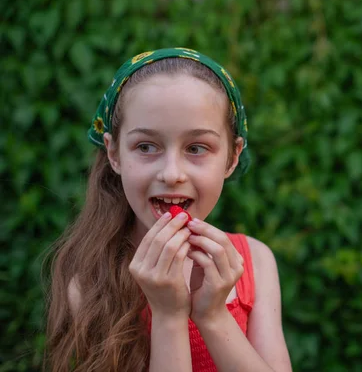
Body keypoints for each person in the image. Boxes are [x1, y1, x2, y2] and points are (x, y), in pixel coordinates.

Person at [45, 48, 293, 372]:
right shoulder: (92, 285)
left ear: (232, 157)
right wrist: (168, 317)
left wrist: (213, 316)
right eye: (146, 146)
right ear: (114, 153)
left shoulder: (255, 262)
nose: (172, 173)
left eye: (196, 148)